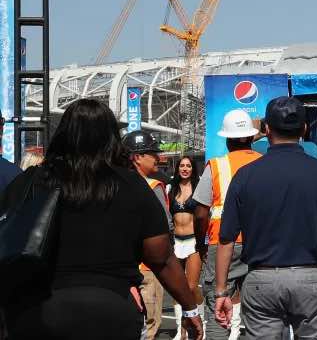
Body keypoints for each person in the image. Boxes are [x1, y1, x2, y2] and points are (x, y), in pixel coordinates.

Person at [0, 99, 202, 340]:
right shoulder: (131, 185)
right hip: (112, 308)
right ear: (111, 138)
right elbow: (161, 257)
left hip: (42, 310)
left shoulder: (33, 181)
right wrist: (190, 307)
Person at [213, 96, 317, 338]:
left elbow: (226, 239)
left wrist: (221, 292)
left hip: (261, 280)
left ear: (266, 129)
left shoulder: (245, 176)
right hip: (311, 279)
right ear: (304, 129)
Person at [193, 109, 262, 340]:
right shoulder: (265, 164)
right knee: (261, 313)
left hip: (222, 244)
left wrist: (201, 244)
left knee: (218, 311)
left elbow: (201, 212)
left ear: (226, 138)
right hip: (261, 244)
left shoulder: (216, 166)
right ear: (252, 137)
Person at [123, 129, 174, 340]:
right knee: (150, 326)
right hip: (148, 268)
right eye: (151, 153)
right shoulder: (153, 186)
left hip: (122, 268)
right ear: (136, 157)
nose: (157, 157)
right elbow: (165, 227)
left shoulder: (116, 184)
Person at [168, 156, 203, 340]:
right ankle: (179, 329)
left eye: (188, 166)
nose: (185, 168)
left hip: (193, 242)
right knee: (176, 287)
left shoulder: (198, 188)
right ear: (177, 168)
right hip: (176, 243)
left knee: (190, 287)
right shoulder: (170, 189)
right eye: (182, 165)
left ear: (192, 169)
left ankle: (199, 322)